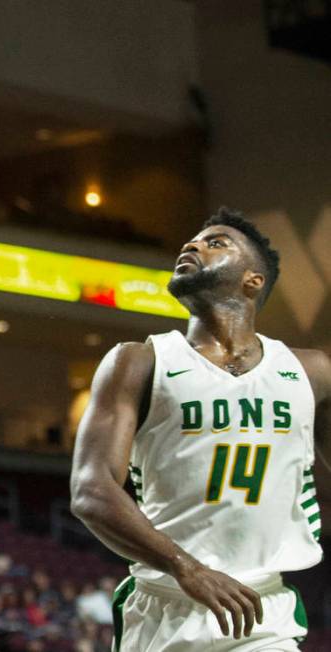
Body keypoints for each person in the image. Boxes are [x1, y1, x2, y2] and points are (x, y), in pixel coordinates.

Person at [70, 208, 330, 651]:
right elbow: (91, 491)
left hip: (263, 611)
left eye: (216, 242)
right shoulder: (139, 362)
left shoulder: (311, 371)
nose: (192, 246)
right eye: (191, 241)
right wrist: (186, 567)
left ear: (253, 280)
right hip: (165, 604)